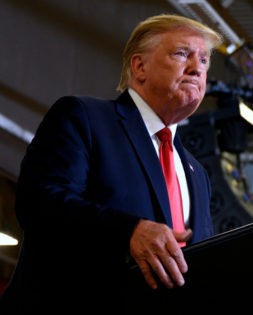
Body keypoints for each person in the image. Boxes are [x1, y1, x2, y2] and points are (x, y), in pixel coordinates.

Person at [0, 13, 223, 314]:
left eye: (205, 60)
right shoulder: (85, 118)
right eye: (182, 54)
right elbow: (39, 203)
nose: (197, 68)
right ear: (139, 67)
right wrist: (128, 231)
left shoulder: (199, 174)